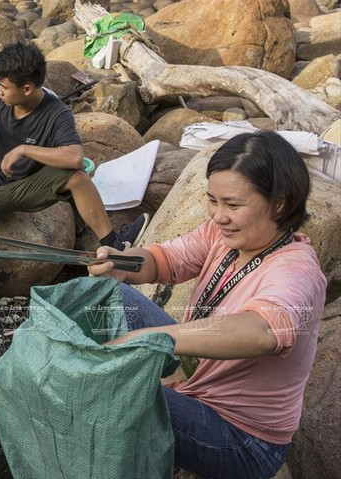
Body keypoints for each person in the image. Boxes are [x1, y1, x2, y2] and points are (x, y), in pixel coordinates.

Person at [90, 131, 325, 479]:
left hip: (242, 438)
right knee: (111, 297)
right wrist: (122, 262)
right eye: (212, 201)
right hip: (193, 373)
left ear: (280, 202)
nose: (218, 215)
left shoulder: (296, 270)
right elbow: (166, 258)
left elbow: (263, 331)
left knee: (111, 394)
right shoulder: (225, 235)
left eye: (232, 205)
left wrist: (152, 338)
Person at [0, 41, 149, 315]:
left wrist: (23, 149)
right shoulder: (0, 97)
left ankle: (113, 244)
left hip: (29, 188)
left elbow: (74, 157)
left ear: (27, 88)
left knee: (76, 175)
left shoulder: (56, 112)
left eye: (4, 87)